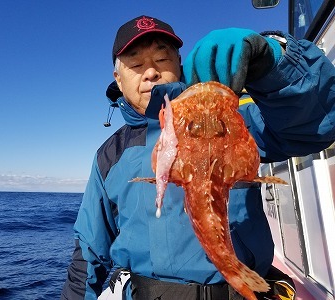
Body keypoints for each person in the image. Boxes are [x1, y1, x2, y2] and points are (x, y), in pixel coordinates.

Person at [61, 15, 335, 300]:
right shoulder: (110, 155)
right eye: (136, 64)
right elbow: (89, 253)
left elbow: (315, 127)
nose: (151, 72)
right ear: (118, 79)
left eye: (162, 59)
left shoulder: (235, 121)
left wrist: (273, 62)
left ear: (179, 65)